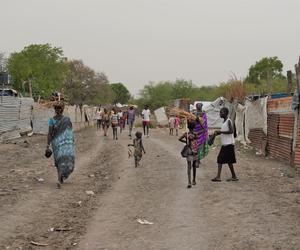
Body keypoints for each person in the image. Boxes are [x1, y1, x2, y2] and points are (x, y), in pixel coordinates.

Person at [46, 101, 75, 188]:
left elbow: (50, 133)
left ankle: (60, 178)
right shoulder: (67, 119)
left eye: (57, 108)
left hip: (56, 143)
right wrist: (71, 142)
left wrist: (48, 145)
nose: (57, 110)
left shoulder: (52, 120)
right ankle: (60, 179)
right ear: (63, 109)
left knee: (58, 160)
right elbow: (70, 132)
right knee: (65, 159)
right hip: (65, 143)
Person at [211, 107, 238, 182]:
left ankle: (218, 177)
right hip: (226, 144)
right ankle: (234, 176)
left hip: (228, 144)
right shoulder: (224, 122)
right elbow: (225, 132)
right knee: (229, 161)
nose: (220, 114)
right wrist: (215, 134)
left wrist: (221, 132)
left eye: (221, 112)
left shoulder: (228, 121)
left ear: (226, 113)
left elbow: (231, 131)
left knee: (220, 159)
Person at [179, 121, 199, 188]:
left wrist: (186, 141)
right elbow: (197, 140)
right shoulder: (195, 134)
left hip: (189, 151)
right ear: (194, 127)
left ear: (188, 127)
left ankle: (189, 182)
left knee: (189, 166)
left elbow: (179, 139)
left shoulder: (186, 134)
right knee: (194, 166)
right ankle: (194, 180)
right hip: (195, 151)